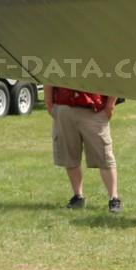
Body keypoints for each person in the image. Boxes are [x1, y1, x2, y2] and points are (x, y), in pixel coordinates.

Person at [46, 84, 121, 212]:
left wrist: (110, 105)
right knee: (70, 156)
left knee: (104, 156)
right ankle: (78, 196)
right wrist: (50, 104)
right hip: (64, 107)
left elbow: (115, 79)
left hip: (94, 109)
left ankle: (114, 199)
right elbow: (49, 77)